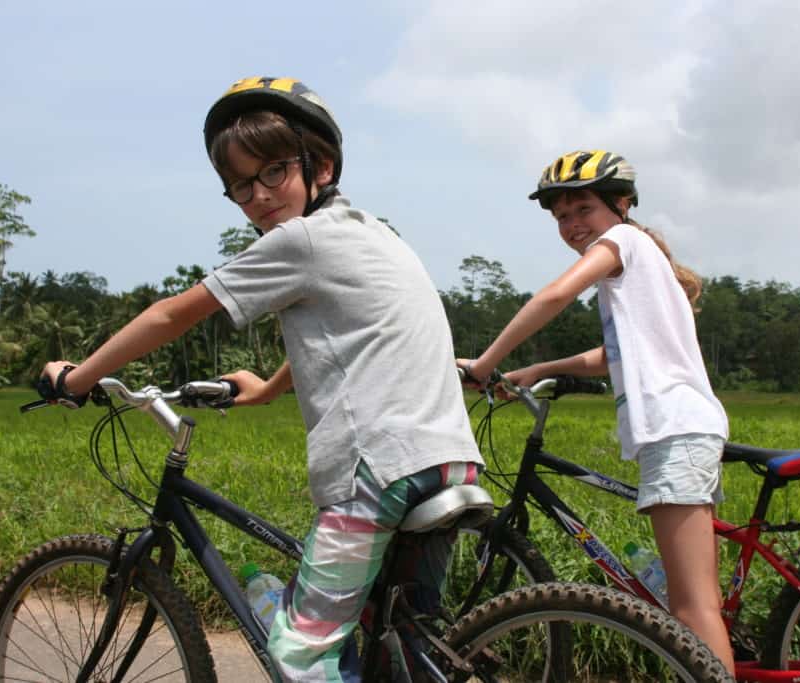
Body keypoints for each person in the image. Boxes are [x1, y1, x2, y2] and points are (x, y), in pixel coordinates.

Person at [40, 76, 483, 682]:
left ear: (319, 165)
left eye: (274, 172)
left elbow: (173, 312)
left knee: (301, 656)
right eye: (241, 185)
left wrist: (80, 376)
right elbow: (357, 338)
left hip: (375, 470)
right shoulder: (373, 231)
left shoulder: (301, 240)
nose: (259, 195)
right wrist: (270, 387)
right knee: (400, 650)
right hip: (445, 457)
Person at [460, 149, 735, 674]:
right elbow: (612, 357)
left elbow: (556, 294)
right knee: (692, 601)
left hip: (675, 430)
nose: (571, 224)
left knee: (692, 606)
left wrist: (487, 362)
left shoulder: (624, 243)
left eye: (583, 208)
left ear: (621, 204)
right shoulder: (640, 267)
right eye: (561, 216)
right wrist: (531, 369)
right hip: (680, 429)